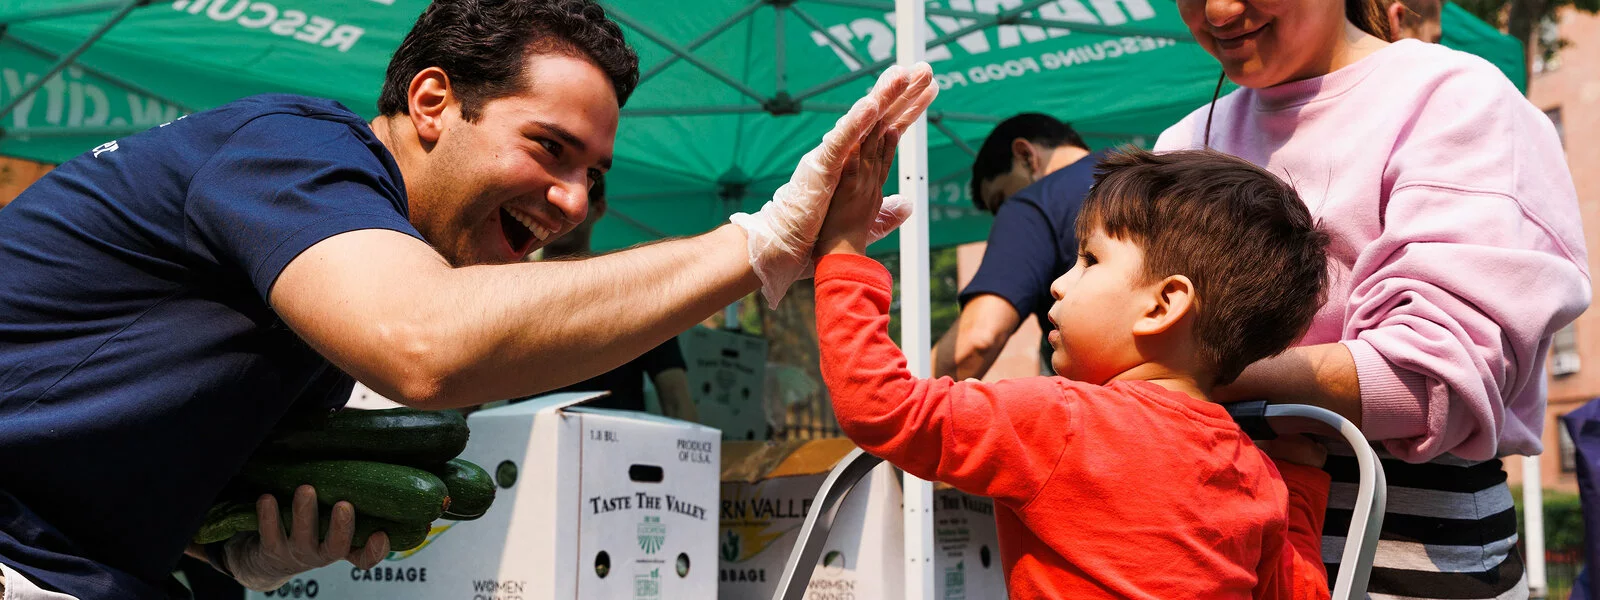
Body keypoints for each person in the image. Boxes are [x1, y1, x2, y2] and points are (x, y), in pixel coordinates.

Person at [0, 0, 937, 596]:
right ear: (434, 102)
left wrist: (239, 551)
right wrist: (758, 244)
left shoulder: (344, 265)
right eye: (549, 148)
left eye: (592, 171)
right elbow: (428, 347)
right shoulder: (294, 151)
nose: (573, 202)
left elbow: (160, 474)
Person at [1158, 1, 1589, 598]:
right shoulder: (1183, 143)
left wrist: (1180, 373)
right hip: (1214, 550)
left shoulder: (1451, 98)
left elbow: (1432, 377)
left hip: (1401, 556)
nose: (1221, 10)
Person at [814, 144, 1336, 598]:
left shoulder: (1058, 419)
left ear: (1163, 305)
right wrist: (1302, 484)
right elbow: (1303, 593)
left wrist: (842, 253)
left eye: (1088, 259)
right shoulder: (1258, 477)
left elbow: (881, 406)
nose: (1060, 284)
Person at [931, 113, 1101, 381]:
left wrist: (899, 403)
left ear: (1025, 156)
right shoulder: (1151, 172)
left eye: (1000, 200)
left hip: (1110, 408)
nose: (1001, 218)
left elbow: (977, 339)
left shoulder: (1034, 204)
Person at [536, 173, 696, 420]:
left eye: (575, 195)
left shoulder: (633, 290)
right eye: (545, 196)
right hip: (521, 453)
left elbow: (676, 397)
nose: (558, 205)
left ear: (598, 207)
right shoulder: (505, 291)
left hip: (616, 452)